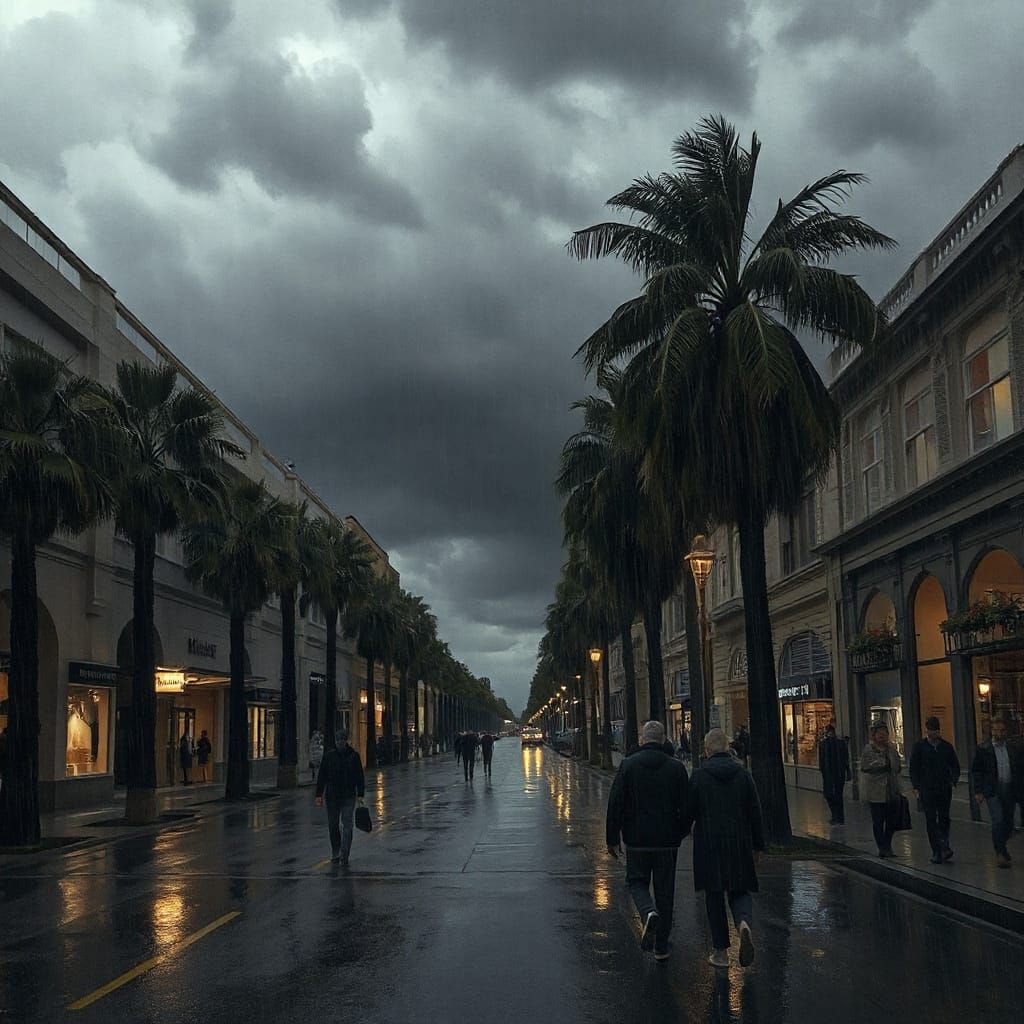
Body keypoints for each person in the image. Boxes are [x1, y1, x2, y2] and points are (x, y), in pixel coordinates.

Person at [606, 720, 689, 962]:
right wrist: (679, 833)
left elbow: (616, 802)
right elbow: (687, 807)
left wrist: (613, 838)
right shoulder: (676, 768)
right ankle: (661, 947)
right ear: (663, 740)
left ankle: (647, 911)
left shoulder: (628, 765)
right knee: (666, 892)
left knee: (636, 881)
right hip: (667, 842)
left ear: (643, 740)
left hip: (637, 839)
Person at [683, 728, 764, 969]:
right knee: (740, 890)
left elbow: (688, 813)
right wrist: (758, 845)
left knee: (714, 895)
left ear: (707, 750)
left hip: (709, 845)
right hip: (739, 842)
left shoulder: (699, 776)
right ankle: (743, 923)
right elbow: (755, 812)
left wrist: (677, 833)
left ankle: (720, 952)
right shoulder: (743, 774)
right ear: (727, 748)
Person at [972, 716, 1024, 868]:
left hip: (1010, 789)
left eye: (1001, 730)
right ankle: (1000, 851)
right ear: (991, 731)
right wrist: (978, 791)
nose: (998, 733)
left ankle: (1002, 846)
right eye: (995, 730)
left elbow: (1019, 768)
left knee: (1008, 822)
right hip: (993, 790)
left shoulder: (1014, 748)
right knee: (998, 819)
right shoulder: (984, 749)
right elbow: (977, 771)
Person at [909, 716, 961, 864]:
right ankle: (937, 850)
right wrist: (916, 786)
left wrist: (953, 779)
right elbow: (914, 768)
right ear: (927, 730)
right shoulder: (920, 747)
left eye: (936, 730)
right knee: (931, 819)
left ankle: (944, 843)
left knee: (944, 817)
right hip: (927, 789)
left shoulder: (946, 747)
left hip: (944, 788)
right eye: (931, 730)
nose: (934, 733)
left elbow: (954, 765)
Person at [315, 728, 366, 866]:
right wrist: (319, 794)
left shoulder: (353, 756)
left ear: (346, 741)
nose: (340, 743)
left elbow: (359, 776)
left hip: (348, 796)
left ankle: (344, 852)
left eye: (342, 740)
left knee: (347, 824)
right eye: (338, 740)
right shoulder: (329, 757)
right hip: (332, 797)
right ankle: (336, 849)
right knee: (333, 825)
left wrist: (360, 794)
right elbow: (322, 776)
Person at [860, 722, 902, 858]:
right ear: (874, 735)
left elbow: (897, 767)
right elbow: (864, 767)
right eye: (879, 733)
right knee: (878, 821)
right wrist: (878, 766)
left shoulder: (891, 749)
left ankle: (887, 845)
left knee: (891, 821)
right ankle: (882, 847)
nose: (882, 736)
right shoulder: (869, 749)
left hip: (891, 790)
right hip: (875, 792)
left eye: (884, 733)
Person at [818, 724, 851, 825]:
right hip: (829, 773)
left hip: (838, 773)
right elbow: (821, 759)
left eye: (830, 732)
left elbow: (845, 759)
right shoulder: (823, 744)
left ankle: (839, 817)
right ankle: (836, 815)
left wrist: (847, 771)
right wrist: (822, 770)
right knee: (829, 795)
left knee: (838, 796)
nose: (830, 734)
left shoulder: (840, 743)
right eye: (828, 732)